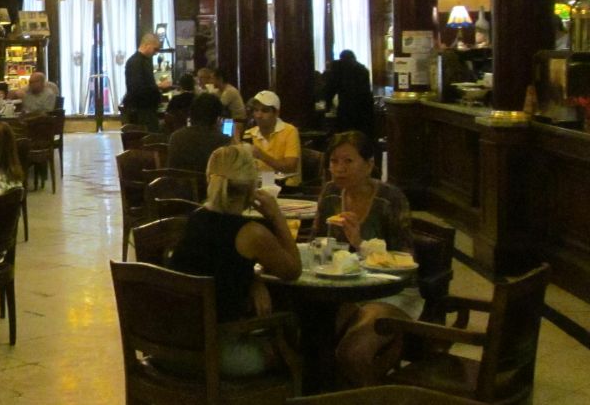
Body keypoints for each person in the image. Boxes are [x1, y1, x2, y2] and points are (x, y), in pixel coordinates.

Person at [167, 145, 302, 376]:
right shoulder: (251, 234)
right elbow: (293, 270)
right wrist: (276, 215)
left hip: (171, 347)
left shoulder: (194, 219)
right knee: (299, 348)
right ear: (252, 186)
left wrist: (252, 279)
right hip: (216, 354)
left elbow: (216, 268)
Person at [313, 131, 419, 386]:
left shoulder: (389, 199)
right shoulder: (329, 194)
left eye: (348, 161)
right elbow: (317, 243)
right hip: (343, 290)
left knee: (353, 353)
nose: (339, 169)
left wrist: (360, 244)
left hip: (391, 292)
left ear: (370, 164)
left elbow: (406, 259)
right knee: (311, 342)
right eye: (334, 161)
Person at [245, 90, 302, 185]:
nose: (258, 115)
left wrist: (261, 155)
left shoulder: (290, 131)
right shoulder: (248, 134)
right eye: (256, 110)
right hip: (258, 186)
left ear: (276, 113)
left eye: (265, 110)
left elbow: (291, 167)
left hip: (287, 188)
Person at [166, 93, 230, 174]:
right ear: (217, 118)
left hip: (180, 186)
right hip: (209, 185)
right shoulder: (223, 141)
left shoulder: (175, 137)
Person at [321, 50, 375, 138]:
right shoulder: (363, 69)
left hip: (346, 106)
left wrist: (327, 104)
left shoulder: (339, 67)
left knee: (345, 135)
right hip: (364, 108)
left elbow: (331, 88)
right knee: (361, 135)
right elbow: (366, 91)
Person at [123, 33, 163, 131]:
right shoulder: (135, 62)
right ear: (147, 45)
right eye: (155, 49)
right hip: (140, 112)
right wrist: (158, 86)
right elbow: (137, 88)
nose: (156, 53)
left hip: (147, 109)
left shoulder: (145, 61)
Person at [198, 67, 246, 137]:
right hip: (227, 120)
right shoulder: (219, 91)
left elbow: (217, 107)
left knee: (223, 138)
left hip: (236, 122)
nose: (210, 81)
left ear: (220, 79)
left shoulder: (229, 91)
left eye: (212, 78)